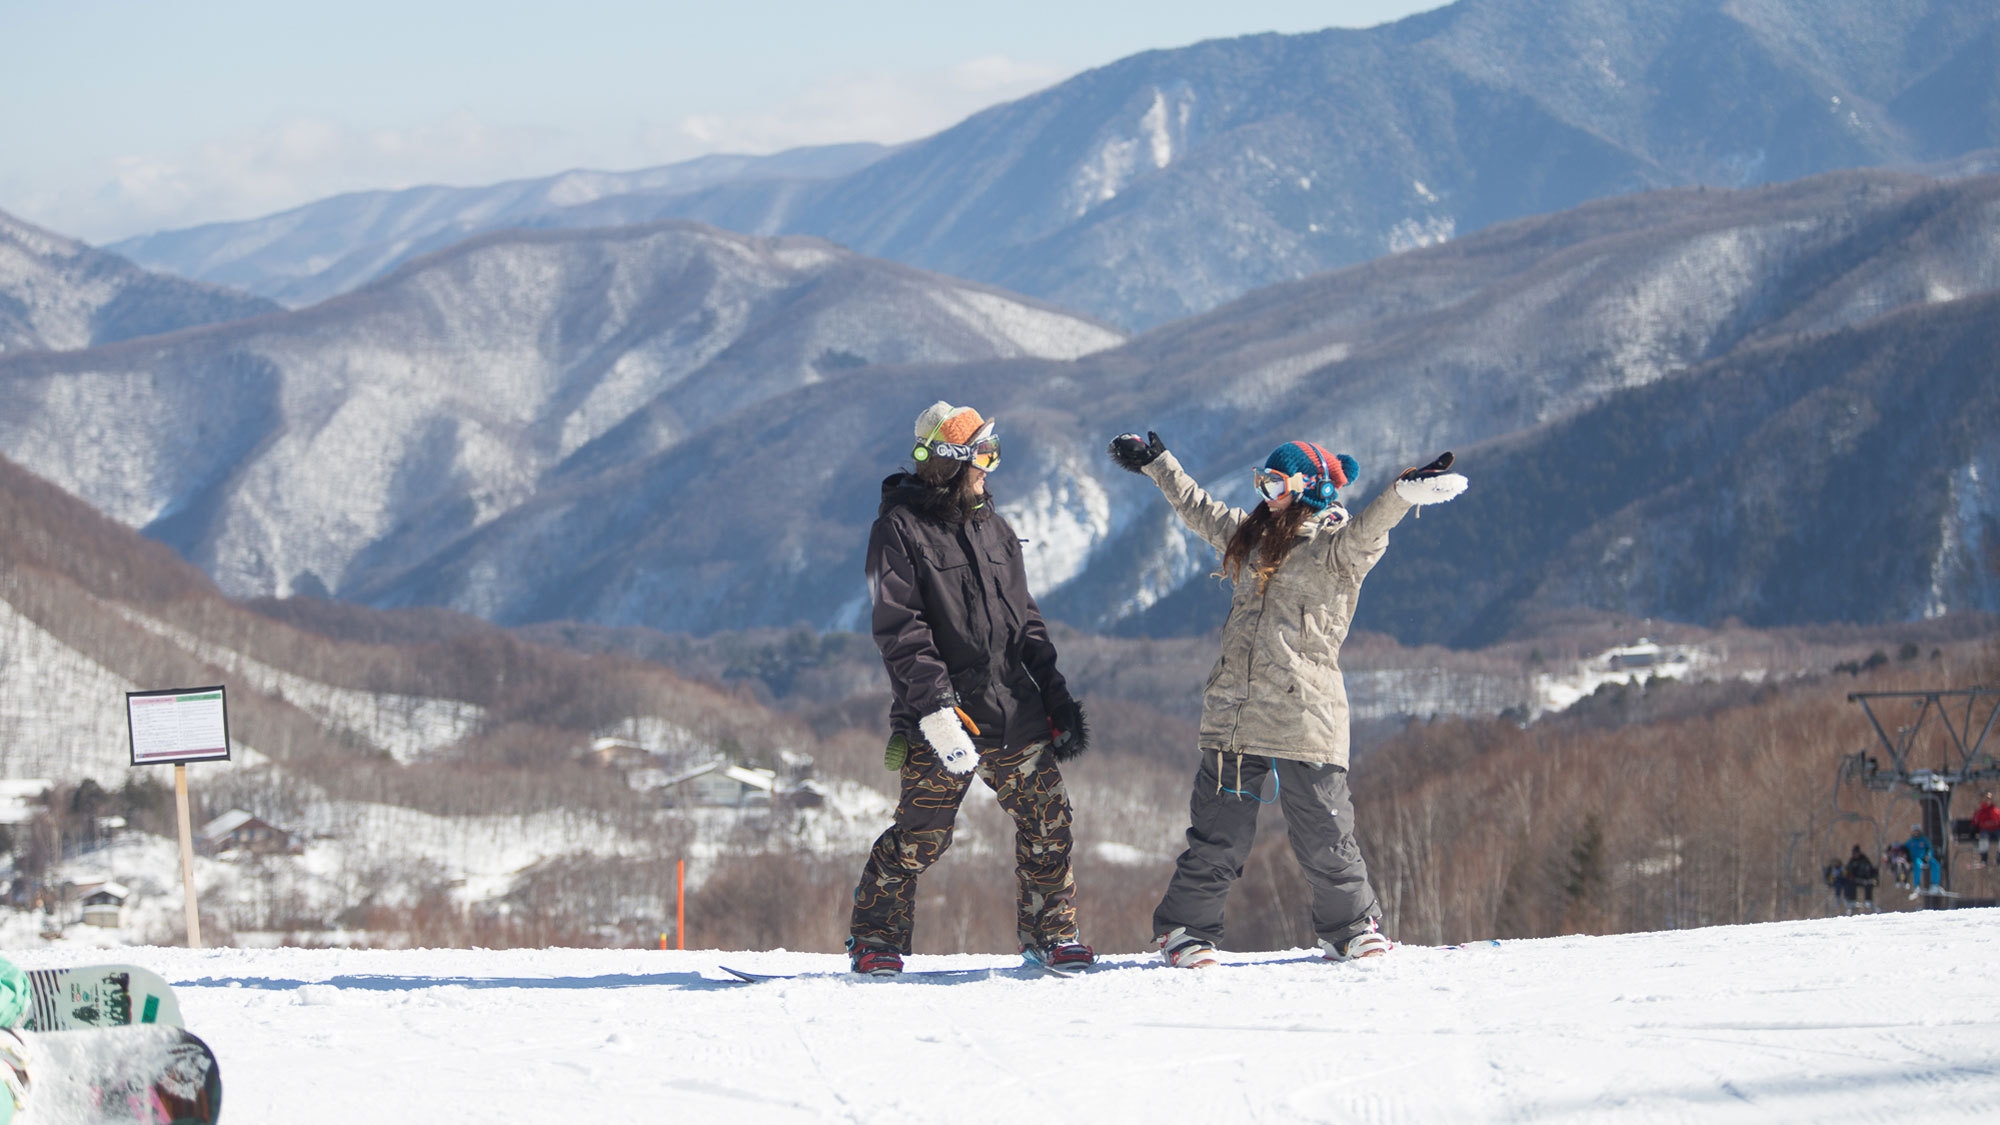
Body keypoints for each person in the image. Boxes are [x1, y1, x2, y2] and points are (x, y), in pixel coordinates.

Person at [1107, 430, 1465, 966]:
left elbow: (1371, 529)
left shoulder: (1335, 548)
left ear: (1310, 487)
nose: (1264, 492)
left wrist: (1401, 495)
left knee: (1325, 828)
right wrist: (1159, 463)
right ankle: (1187, 931)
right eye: (1260, 480)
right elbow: (1199, 509)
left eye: (1274, 482)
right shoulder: (1253, 536)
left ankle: (1350, 928)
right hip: (1236, 710)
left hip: (1304, 711)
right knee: (1218, 834)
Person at [846, 401, 1092, 976]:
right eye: (984, 453)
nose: (990, 466)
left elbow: (1025, 619)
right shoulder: (898, 531)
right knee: (922, 837)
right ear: (951, 460)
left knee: (1049, 822)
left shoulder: (995, 528)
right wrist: (936, 712)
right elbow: (900, 629)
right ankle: (875, 938)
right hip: (948, 716)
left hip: (1015, 708)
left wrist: (1054, 693)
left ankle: (1052, 935)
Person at [1903, 825, 1940, 897]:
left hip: (1925, 858)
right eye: (1914, 831)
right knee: (1917, 865)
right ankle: (1917, 885)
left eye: (1917, 831)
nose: (1916, 833)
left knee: (1935, 864)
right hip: (1916, 859)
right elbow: (1904, 849)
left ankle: (1935, 885)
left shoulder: (1923, 840)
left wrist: (1928, 855)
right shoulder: (1910, 842)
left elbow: (1929, 848)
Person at [1844, 844, 1878, 911]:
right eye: (1853, 853)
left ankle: (1868, 901)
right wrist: (1850, 876)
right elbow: (1848, 870)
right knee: (1850, 884)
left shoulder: (1864, 860)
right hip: (1856, 879)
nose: (1855, 855)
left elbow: (1870, 869)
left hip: (1865, 879)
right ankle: (1852, 901)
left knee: (1869, 884)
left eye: (1856, 853)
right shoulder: (1852, 861)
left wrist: (1870, 877)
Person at [1973, 792, 2000, 867]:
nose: (1988, 801)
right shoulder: (1980, 812)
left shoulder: (1996, 811)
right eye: (1986, 800)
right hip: (1985, 830)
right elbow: (1975, 821)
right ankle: (1984, 858)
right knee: (1983, 838)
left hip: (1996, 829)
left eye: (1989, 800)